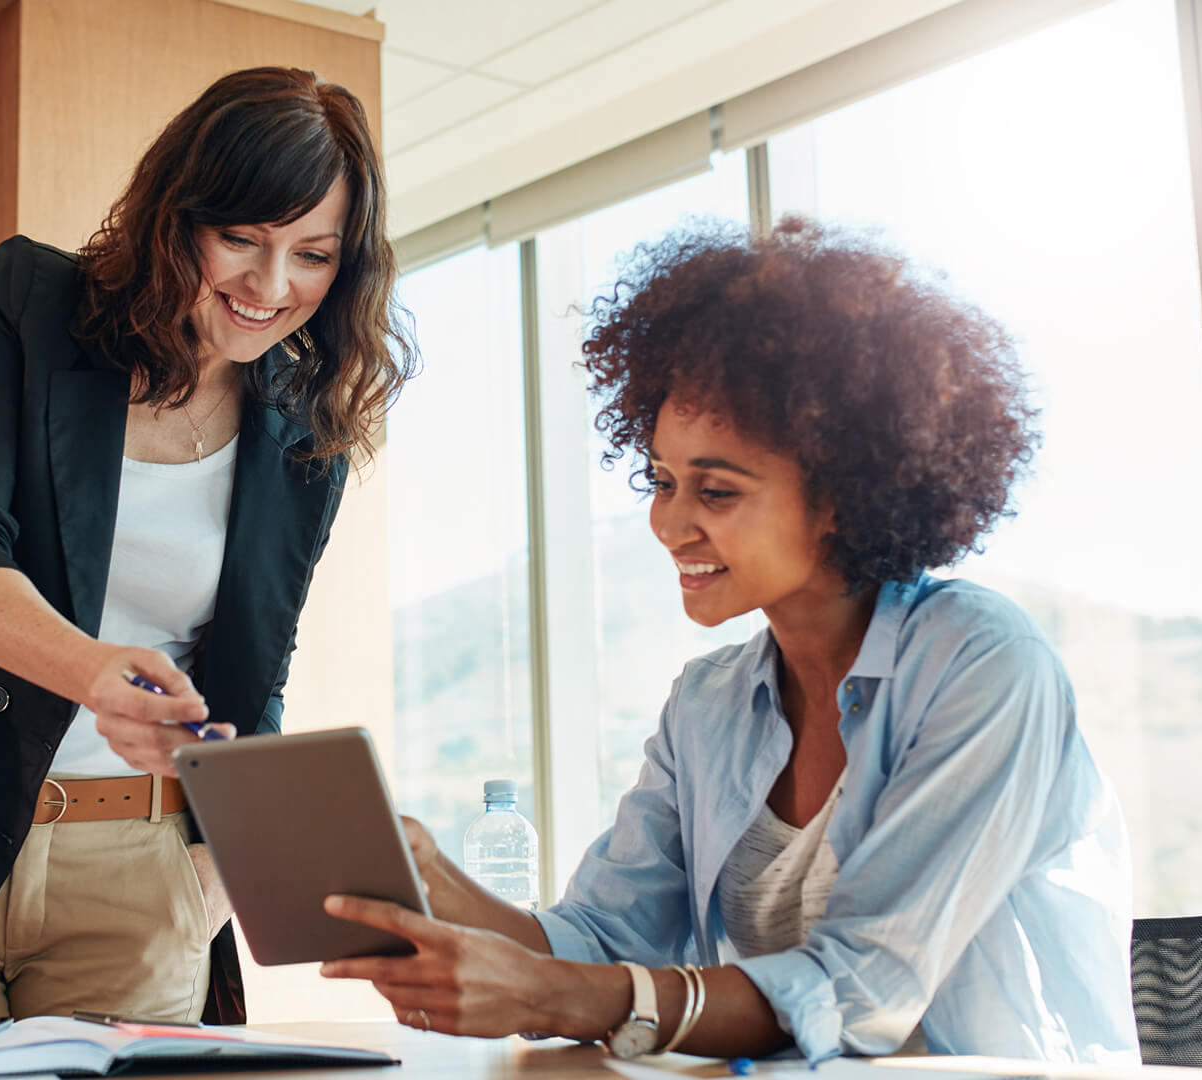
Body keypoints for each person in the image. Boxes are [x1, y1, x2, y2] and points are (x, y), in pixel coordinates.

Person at [322, 218, 1138, 1064]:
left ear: (843, 497)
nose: (671, 524)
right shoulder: (710, 704)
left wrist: (553, 993)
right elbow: (606, 943)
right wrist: (441, 888)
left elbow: (859, 991)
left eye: (715, 491)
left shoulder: (983, 666)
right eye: (663, 481)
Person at [0, 66, 412, 1027]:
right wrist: (93, 671)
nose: (271, 287)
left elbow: (250, 679)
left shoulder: (300, 436)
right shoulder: (28, 306)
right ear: (176, 215)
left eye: (312, 255)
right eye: (239, 238)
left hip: (140, 878)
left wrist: (213, 885)